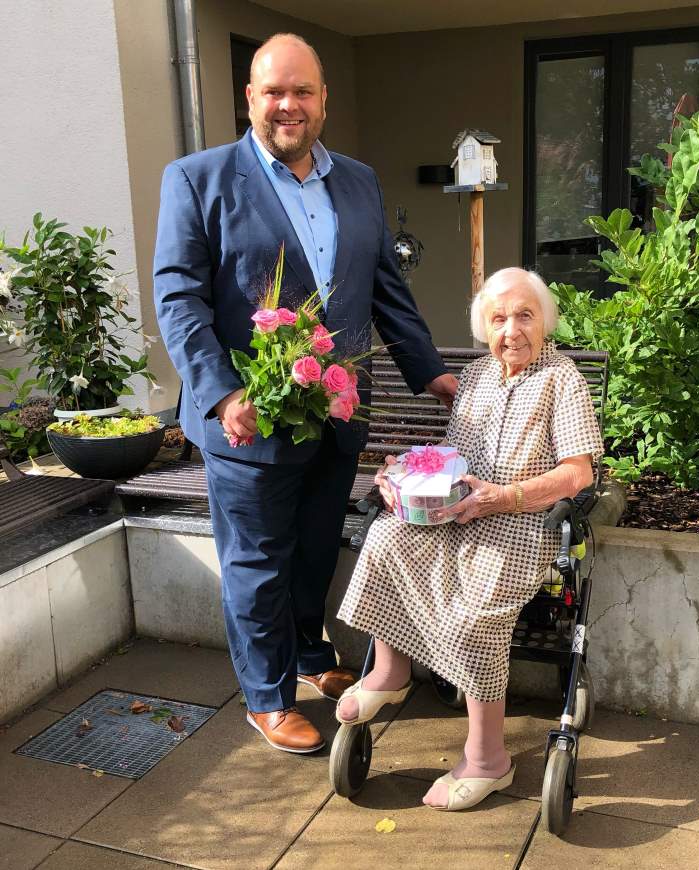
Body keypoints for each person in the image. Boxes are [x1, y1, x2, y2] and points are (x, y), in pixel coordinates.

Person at [153, 32, 456, 754]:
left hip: (337, 412)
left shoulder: (357, 179)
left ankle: (311, 656)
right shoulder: (198, 178)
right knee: (258, 561)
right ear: (250, 98)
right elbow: (179, 299)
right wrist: (224, 394)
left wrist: (431, 372)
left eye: (304, 92)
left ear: (323, 101)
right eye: (274, 91)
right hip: (248, 420)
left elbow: (385, 286)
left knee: (316, 549)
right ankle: (266, 693)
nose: (289, 105)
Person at [336, 267, 604, 810]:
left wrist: (503, 496)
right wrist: (403, 473)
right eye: (499, 318)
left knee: (473, 607)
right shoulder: (478, 374)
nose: (512, 329)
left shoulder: (563, 378)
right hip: (459, 510)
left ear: (544, 321)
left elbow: (579, 474)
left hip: (522, 518)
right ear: (485, 326)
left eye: (525, 315)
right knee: (386, 535)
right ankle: (390, 671)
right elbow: (450, 455)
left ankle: (488, 759)